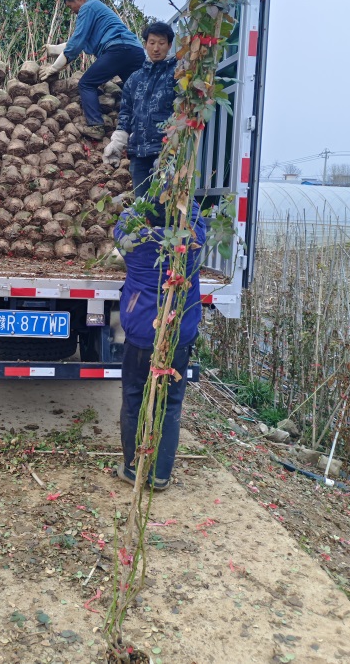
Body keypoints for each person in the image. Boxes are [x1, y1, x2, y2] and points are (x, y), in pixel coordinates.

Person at [113, 199, 206, 491]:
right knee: (170, 404)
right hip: (178, 333)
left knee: (133, 399)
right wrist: (180, 195)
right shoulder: (189, 244)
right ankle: (161, 475)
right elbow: (196, 218)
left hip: (141, 333)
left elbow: (124, 221)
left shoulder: (135, 242)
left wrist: (145, 194)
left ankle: (132, 467)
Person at [38, 0, 145, 140]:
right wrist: (52, 50)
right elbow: (76, 42)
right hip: (134, 51)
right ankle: (144, 127)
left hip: (118, 49)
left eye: (70, 6)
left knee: (86, 84)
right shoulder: (97, 10)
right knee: (137, 92)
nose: (73, 11)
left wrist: (54, 68)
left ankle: (96, 126)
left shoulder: (87, 7)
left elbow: (76, 43)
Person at [103, 22, 177, 198]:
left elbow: (185, 112)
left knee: (163, 208)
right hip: (138, 153)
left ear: (169, 45)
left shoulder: (178, 75)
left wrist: (175, 149)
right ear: (145, 44)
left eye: (161, 43)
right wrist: (118, 141)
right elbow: (126, 112)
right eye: (152, 43)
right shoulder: (135, 79)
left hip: (165, 152)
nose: (156, 48)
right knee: (143, 207)